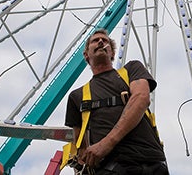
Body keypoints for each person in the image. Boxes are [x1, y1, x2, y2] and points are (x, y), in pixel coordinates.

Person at [65, 29, 169, 174]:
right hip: (110, 168)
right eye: (95, 41)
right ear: (86, 55)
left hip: (151, 163)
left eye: (105, 41)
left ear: (112, 53)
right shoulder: (77, 96)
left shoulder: (132, 69)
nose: (101, 41)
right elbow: (81, 147)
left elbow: (141, 98)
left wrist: (106, 144)